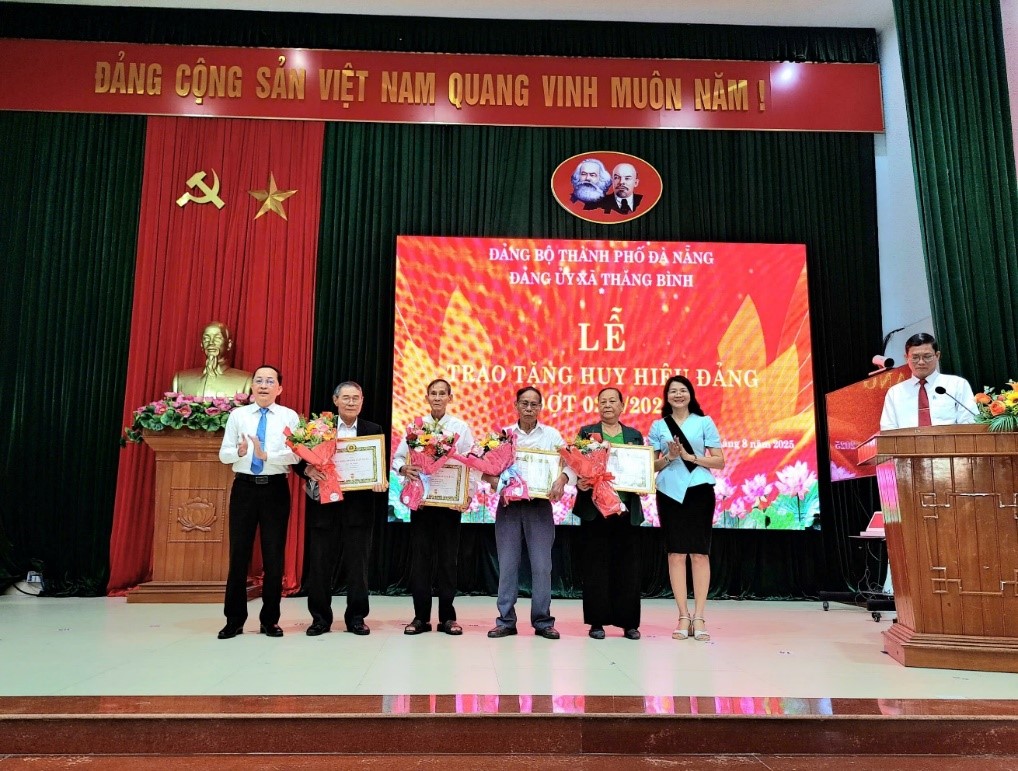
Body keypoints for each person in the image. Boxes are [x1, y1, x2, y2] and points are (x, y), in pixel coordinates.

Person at [217, 365, 299, 639]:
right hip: (244, 488)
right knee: (238, 555)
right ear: (252, 386)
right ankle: (234, 620)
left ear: (279, 388)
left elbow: (296, 455)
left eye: (270, 381)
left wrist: (267, 456)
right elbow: (224, 454)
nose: (264, 385)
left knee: (274, 557)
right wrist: (239, 452)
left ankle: (270, 620)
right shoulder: (238, 415)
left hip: (275, 489)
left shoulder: (289, 416)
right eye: (259, 380)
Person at [302, 381, 388, 637]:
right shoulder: (320, 428)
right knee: (320, 566)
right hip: (325, 508)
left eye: (355, 398)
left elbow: (379, 465)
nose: (351, 402)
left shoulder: (373, 430)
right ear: (335, 400)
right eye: (346, 397)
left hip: (359, 509)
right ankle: (320, 619)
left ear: (362, 401)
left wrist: (379, 480)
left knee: (358, 568)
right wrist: (307, 469)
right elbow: (300, 459)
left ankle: (357, 618)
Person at [487, 386, 574, 640]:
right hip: (509, 506)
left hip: (539, 506)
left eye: (534, 404)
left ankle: (543, 621)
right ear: (515, 405)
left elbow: (571, 463)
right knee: (507, 565)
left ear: (541, 407)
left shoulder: (551, 435)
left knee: (542, 565)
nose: (528, 408)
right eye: (524, 403)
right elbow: (485, 467)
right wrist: (495, 481)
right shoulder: (503, 435)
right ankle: (505, 620)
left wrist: (562, 479)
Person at [393, 379, 475, 636]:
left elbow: (471, 462)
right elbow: (398, 458)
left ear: (450, 398)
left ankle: (447, 618)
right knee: (421, 559)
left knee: (448, 560)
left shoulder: (460, 427)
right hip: (422, 502)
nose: (437, 397)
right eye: (433, 393)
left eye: (442, 394)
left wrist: (468, 494)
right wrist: (403, 468)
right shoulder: (415, 428)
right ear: (427, 397)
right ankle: (420, 617)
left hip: (450, 503)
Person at [648, 375, 725, 643]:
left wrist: (690, 457)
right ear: (666, 396)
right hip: (669, 492)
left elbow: (719, 461)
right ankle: (682, 616)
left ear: (690, 394)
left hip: (699, 490)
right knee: (676, 554)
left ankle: (700, 616)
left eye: (683, 390)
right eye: (673, 391)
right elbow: (651, 465)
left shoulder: (704, 422)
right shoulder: (659, 426)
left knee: (700, 554)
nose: (678, 395)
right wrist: (670, 457)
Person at [573, 387, 645, 640]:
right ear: (597, 406)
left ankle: (629, 623)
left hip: (625, 511)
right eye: (603, 401)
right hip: (595, 511)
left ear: (622, 406)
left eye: (612, 401)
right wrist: (580, 482)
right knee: (595, 567)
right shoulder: (586, 433)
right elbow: (577, 466)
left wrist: (643, 481)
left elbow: (641, 468)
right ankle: (597, 622)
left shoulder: (634, 436)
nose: (607, 405)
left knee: (628, 569)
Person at [879, 332, 976, 430]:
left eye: (927, 356)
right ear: (906, 358)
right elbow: (888, 430)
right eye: (915, 357)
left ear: (937, 356)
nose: (921, 362)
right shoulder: (895, 393)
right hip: (908, 440)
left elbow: (970, 422)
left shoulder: (957, 384)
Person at [172, 321, 253, 397]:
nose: (211, 342)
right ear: (201, 345)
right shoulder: (181, 379)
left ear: (229, 345)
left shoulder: (246, 380)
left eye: (217, 338)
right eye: (206, 338)